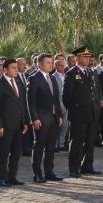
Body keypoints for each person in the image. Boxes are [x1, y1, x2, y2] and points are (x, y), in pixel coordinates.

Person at [0, 58, 30, 187]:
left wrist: (24, 121)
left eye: (16, 67)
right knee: (4, 152)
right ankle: (3, 177)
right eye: (13, 68)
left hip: (18, 124)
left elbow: (22, 104)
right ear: (5, 70)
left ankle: (13, 176)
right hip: (5, 126)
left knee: (16, 152)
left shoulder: (18, 82)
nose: (16, 70)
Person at [63, 46, 101, 176]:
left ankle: (87, 166)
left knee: (90, 142)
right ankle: (74, 168)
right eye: (85, 56)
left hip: (91, 112)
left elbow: (94, 93)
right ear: (78, 58)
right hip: (78, 114)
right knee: (77, 143)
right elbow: (66, 97)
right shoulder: (71, 73)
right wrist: (75, 110)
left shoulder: (91, 72)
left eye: (89, 56)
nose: (88, 58)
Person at [27, 53, 63, 183]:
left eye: (51, 62)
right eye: (48, 62)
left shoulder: (52, 78)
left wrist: (59, 115)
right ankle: (37, 173)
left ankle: (49, 172)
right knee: (39, 146)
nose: (51, 64)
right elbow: (30, 101)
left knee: (50, 146)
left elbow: (56, 99)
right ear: (40, 64)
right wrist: (34, 118)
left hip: (53, 118)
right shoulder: (34, 78)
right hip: (40, 118)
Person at [52, 58, 70, 151]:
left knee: (65, 126)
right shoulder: (53, 77)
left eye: (63, 66)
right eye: (60, 65)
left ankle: (61, 144)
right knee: (57, 126)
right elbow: (55, 94)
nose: (63, 67)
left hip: (67, 105)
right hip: (58, 106)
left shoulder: (67, 75)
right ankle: (55, 144)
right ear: (55, 66)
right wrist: (59, 105)